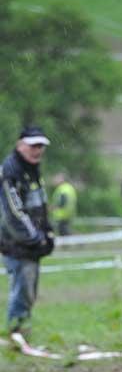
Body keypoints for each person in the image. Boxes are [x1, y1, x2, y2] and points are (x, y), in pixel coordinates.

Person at [0, 126, 54, 336]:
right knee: (22, 290)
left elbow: (41, 204)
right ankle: (16, 333)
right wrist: (34, 238)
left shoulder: (33, 170)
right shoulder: (10, 171)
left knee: (29, 292)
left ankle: (22, 331)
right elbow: (13, 213)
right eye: (33, 145)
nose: (37, 150)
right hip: (16, 243)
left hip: (32, 243)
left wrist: (48, 232)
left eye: (40, 146)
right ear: (20, 145)